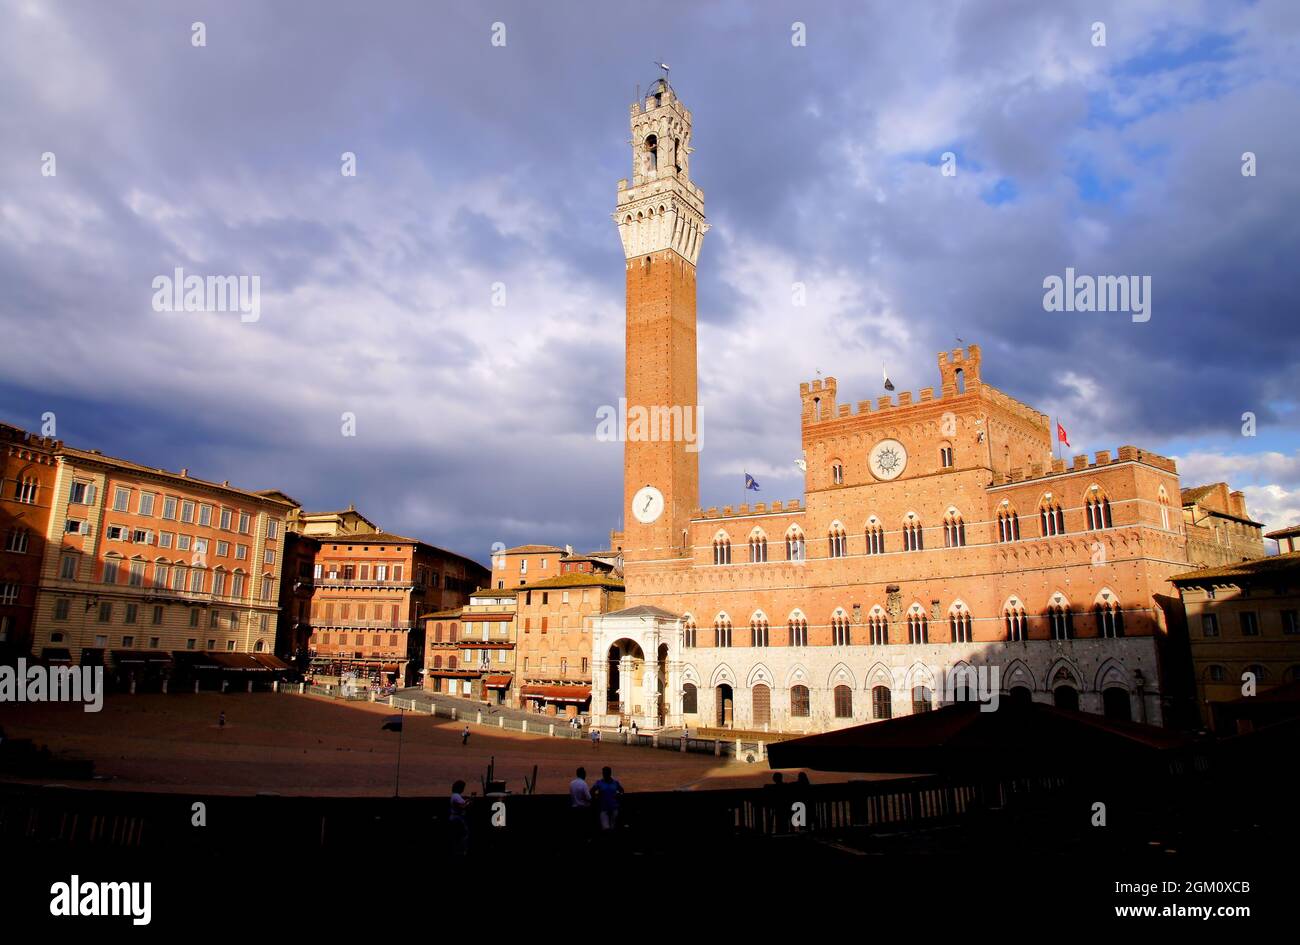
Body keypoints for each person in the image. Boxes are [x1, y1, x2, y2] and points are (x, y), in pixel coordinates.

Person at [592, 766, 624, 833]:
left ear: (609, 773)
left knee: (613, 828)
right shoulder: (599, 782)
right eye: (603, 773)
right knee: (605, 828)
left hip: (614, 807)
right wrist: (596, 797)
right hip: (603, 808)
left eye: (605, 773)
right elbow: (592, 791)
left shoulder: (615, 782)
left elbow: (622, 790)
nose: (604, 775)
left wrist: (619, 795)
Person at [448, 780, 470, 855]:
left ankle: (458, 851)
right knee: (463, 835)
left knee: (458, 835)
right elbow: (462, 806)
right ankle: (462, 851)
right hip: (458, 818)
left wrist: (466, 801)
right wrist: (468, 803)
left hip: (455, 818)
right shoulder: (456, 796)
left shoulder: (454, 796)